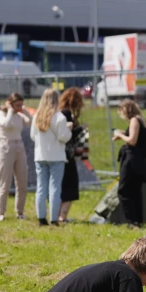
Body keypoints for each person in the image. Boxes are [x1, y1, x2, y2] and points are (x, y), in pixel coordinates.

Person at [30, 89, 72, 226]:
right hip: (56, 156)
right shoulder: (59, 117)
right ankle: (54, 218)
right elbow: (64, 137)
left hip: (40, 155)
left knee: (41, 187)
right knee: (55, 188)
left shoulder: (37, 116)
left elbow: (32, 136)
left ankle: (41, 218)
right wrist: (69, 129)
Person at [112, 100, 146, 227]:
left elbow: (132, 141)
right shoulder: (141, 119)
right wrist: (124, 133)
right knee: (135, 191)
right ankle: (138, 221)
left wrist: (120, 135)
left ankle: (131, 221)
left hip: (132, 160)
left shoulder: (134, 120)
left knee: (124, 190)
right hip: (140, 160)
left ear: (126, 110)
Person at [0, 93, 32, 221]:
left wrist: (25, 110)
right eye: (17, 105)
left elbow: (30, 122)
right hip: (6, 147)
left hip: (19, 146)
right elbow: (5, 124)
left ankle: (20, 211)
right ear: (10, 104)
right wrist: (10, 110)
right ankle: (1, 212)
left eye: (21, 105)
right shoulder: (1, 114)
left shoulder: (19, 115)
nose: (19, 108)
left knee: (22, 182)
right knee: (5, 183)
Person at [58, 87, 86, 223]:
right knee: (70, 186)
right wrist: (81, 129)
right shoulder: (67, 114)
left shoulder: (59, 113)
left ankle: (57, 214)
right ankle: (62, 216)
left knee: (60, 185)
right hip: (67, 156)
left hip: (59, 154)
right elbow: (67, 135)